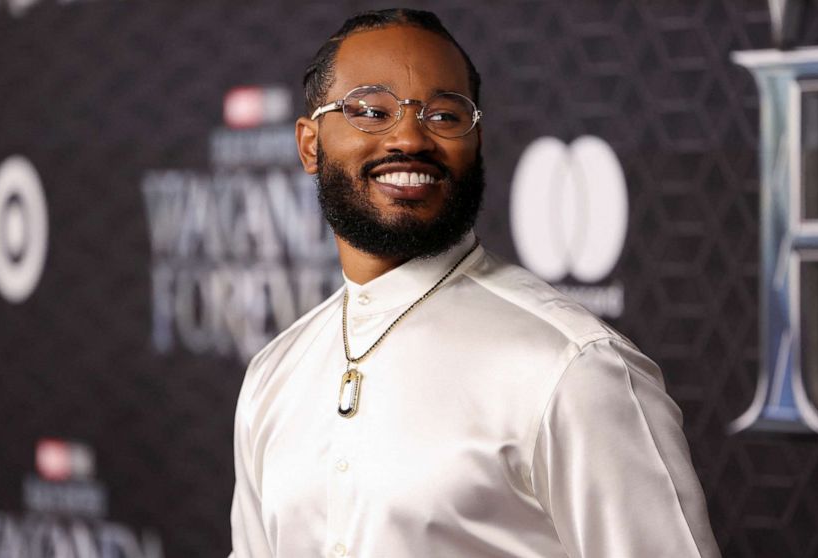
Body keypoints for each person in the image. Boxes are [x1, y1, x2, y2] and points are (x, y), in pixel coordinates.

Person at [230, 8, 720, 558]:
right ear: (309, 144)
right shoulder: (275, 371)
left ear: (476, 142)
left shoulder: (572, 367)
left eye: (443, 115)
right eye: (370, 110)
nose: (409, 138)